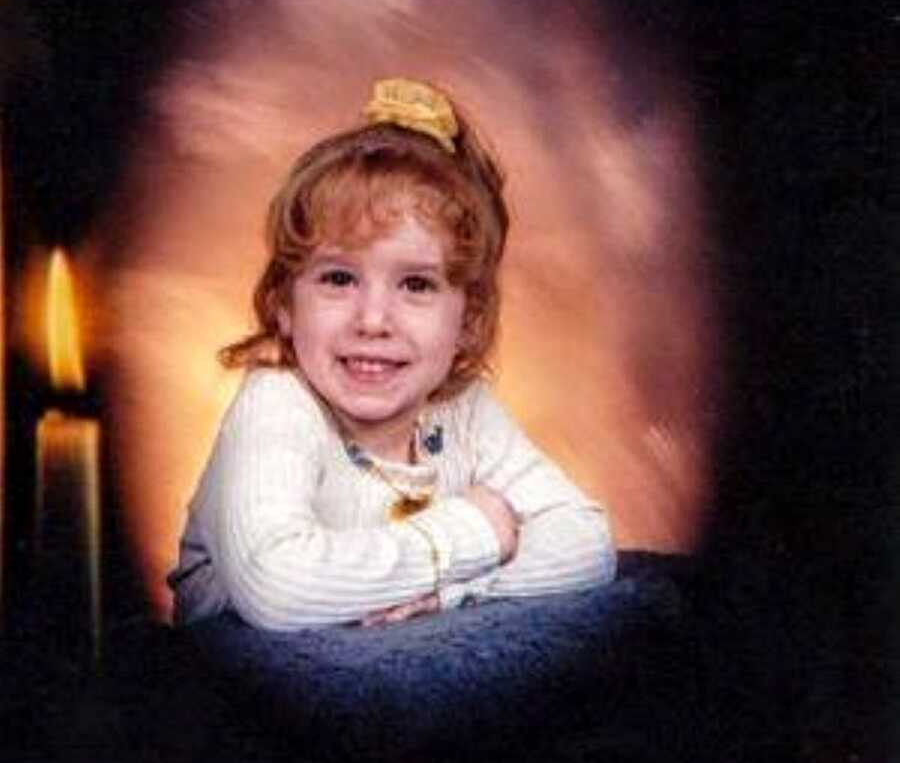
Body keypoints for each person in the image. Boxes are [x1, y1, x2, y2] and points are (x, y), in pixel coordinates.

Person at [168, 78, 616, 629]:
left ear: (468, 321)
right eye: (338, 278)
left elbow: (587, 544)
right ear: (284, 302)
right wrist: (471, 531)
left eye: (417, 285)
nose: (373, 320)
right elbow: (277, 587)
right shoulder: (278, 404)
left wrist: (455, 595)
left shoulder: (463, 413)